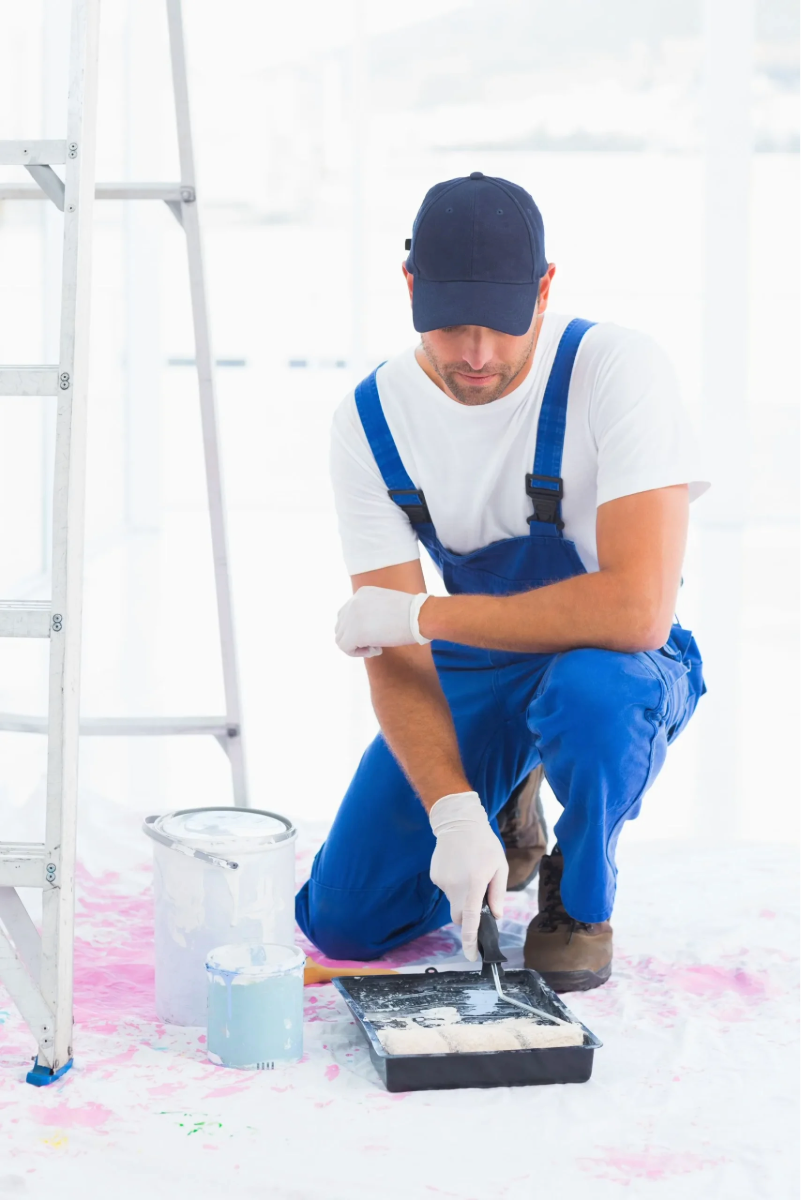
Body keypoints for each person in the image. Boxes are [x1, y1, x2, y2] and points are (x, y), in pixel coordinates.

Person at [296, 171, 707, 992]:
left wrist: (420, 612)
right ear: (409, 287)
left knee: (590, 697)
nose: (476, 353)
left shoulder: (615, 370)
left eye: (501, 324)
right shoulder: (370, 421)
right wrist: (452, 812)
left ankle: (580, 895)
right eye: (449, 324)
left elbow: (634, 609)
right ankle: (503, 803)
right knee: (346, 919)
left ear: (545, 288)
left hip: (612, 661)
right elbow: (398, 656)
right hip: (473, 666)